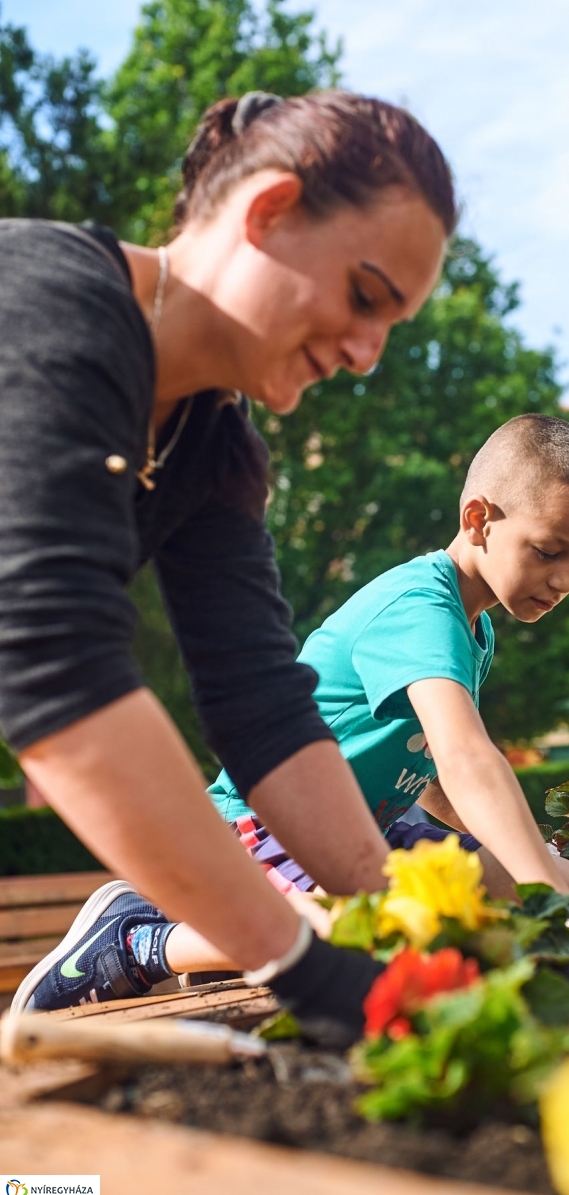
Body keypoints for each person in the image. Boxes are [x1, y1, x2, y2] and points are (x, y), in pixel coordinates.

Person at [1, 89, 457, 1041]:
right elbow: (56, 673)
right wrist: (300, 960)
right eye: (365, 296)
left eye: (392, 325)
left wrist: (395, 922)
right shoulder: (50, 303)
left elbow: (262, 709)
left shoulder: (211, 439)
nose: (367, 355)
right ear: (270, 210)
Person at [14, 414, 569, 1006]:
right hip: (266, 829)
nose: (565, 580)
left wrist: (540, 865)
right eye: (548, 551)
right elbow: (465, 757)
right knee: (368, 942)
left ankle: (238, 950)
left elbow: (434, 778)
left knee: (549, 880)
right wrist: (551, 903)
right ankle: (136, 943)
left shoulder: (473, 629)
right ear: (478, 520)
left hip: (364, 833)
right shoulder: (421, 608)